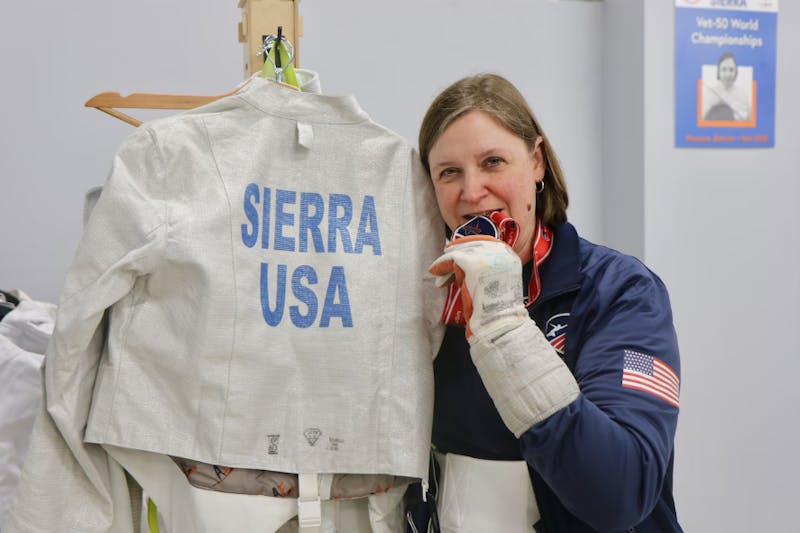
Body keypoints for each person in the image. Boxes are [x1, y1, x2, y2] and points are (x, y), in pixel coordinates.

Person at [410, 74, 682, 532]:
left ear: (536, 162)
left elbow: (620, 492)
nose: (472, 192)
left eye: (493, 161)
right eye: (449, 172)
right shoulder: (431, 302)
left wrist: (502, 324)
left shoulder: (623, 292)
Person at [702, 52, 751, 122]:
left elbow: (750, 122)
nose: (728, 74)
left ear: (736, 72)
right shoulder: (709, 94)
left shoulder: (743, 95)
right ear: (718, 72)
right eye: (724, 69)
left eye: (731, 70)